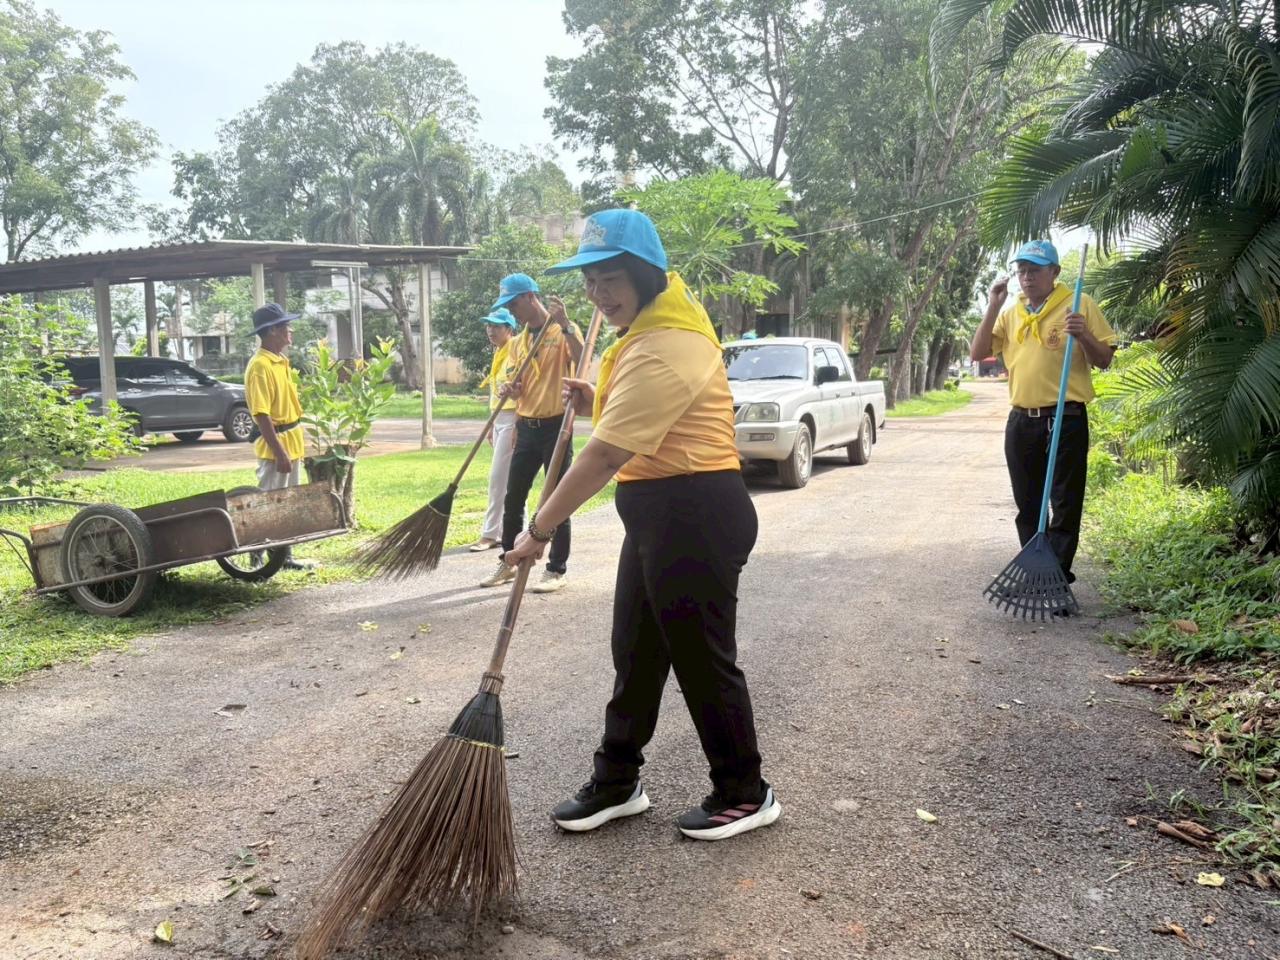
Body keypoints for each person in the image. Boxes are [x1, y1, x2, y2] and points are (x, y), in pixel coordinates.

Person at [505, 209, 781, 841]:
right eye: (590, 281)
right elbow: (650, 419)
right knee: (636, 651)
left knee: (701, 660)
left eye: (611, 277)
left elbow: (605, 455)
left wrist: (539, 530)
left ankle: (745, 789)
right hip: (660, 513)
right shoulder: (649, 328)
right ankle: (618, 778)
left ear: (644, 273)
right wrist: (597, 399)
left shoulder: (670, 341)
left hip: (697, 512)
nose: (599, 293)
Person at [970, 239, 1116, 592]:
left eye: (1034, 270)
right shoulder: (1012, 311)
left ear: (1055, 272)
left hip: (1065, 417)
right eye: (1022, 270)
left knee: (1065, 503)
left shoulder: (1078, 304)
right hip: (1021, 419)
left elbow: (1105, 359)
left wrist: (1083, 336)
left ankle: (1055, 578)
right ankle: (1039, 574)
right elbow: (978, 352)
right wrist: (993, 305)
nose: (1027, 277)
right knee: (1028, 502)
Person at [478, 272, 584, 593]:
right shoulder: (520, 341)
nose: (512, 310)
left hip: (556, 427)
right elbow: (519, 387)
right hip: (526, 426)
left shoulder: (561, 330)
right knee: (514, 498)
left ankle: (556, 569)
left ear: (529, 297)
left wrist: (566, 325)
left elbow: (581, 361)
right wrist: (513, 390)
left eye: (513, 303)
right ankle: (508, 561)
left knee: (556, 499)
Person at [244, 302, 315, 571]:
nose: (290, 330)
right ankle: (257, 557)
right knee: (269, 502)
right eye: (286, 326)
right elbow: (261, 415)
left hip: (291, 438)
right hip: (276, 445)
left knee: (286, 503)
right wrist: (280, 453)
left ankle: (283, 556)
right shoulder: (260, 366)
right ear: (273, 330)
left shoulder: (280, 361)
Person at [468, 307, 519, 552]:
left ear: (509, 329)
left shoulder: (516, 350)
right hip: (498, 419)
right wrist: (490, 424)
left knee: (498, 479)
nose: (491, 330)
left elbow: (524, 391)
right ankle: (517, 531)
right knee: (510, 480)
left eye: (497, 326)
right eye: (489, 326)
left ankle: (489, 534)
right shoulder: (498, 353)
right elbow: (494, 393)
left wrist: (519, 424)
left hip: (513, 420)